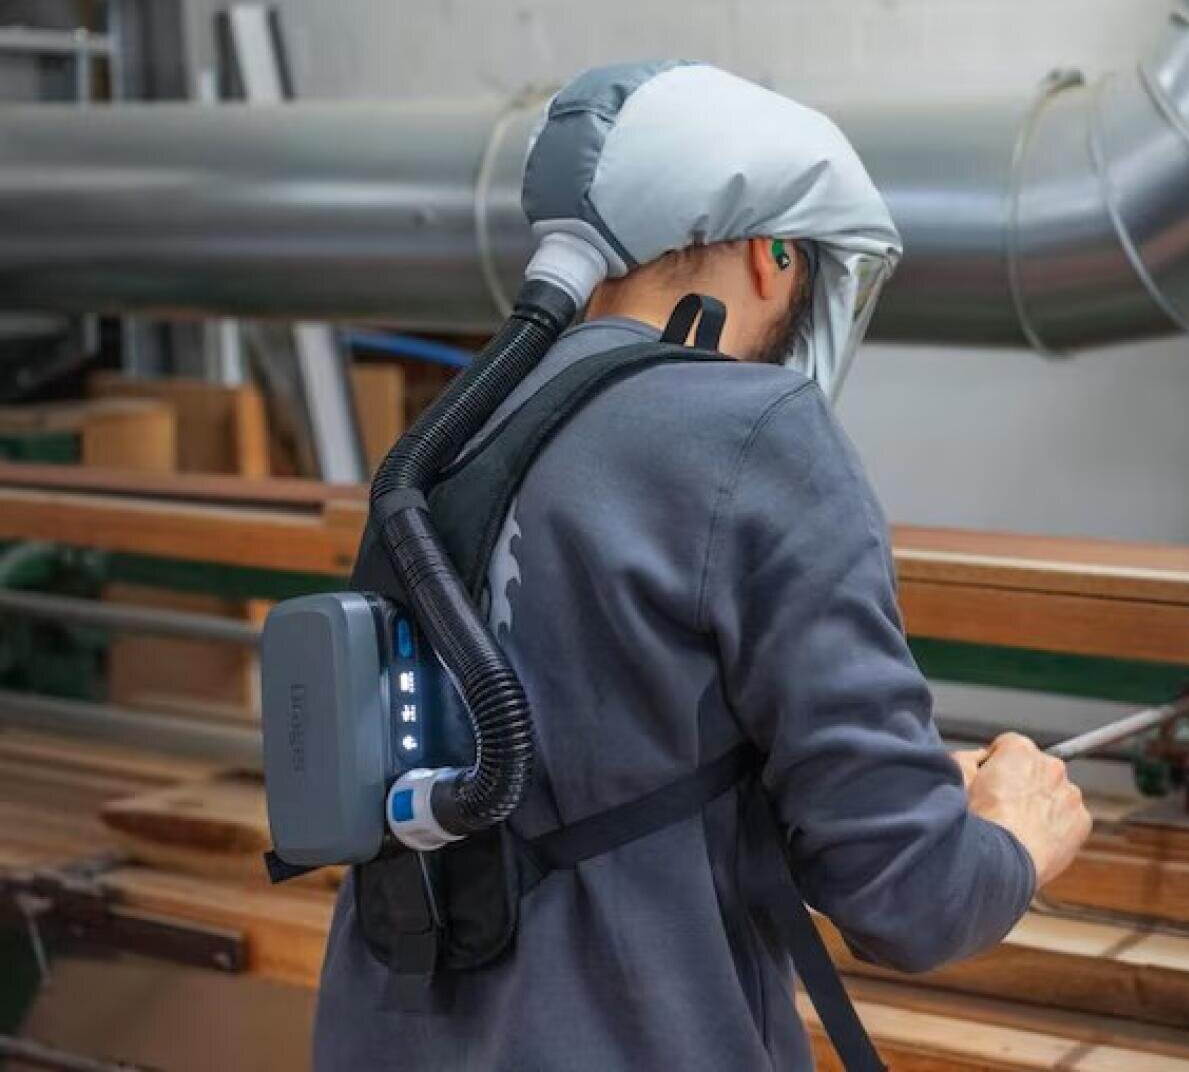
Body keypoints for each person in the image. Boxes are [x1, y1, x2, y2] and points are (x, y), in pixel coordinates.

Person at [313, 61, 1091, 1070]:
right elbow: (909, 898)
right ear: (771, 255)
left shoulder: (455, 431)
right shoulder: (754, 431)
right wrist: (1014, 834)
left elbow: (588, 745)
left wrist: (872, 788)